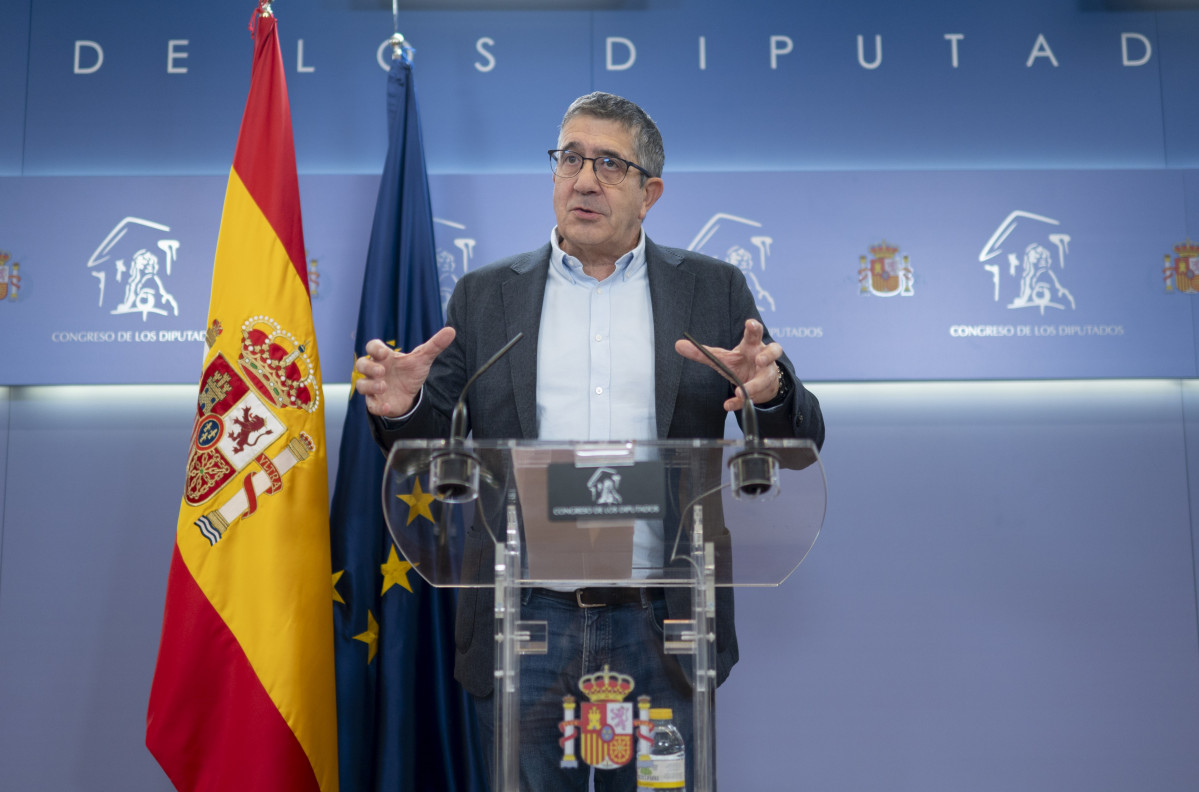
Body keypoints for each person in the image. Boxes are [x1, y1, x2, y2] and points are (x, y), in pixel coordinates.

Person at [355, 91, 825, 790]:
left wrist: (771, 393)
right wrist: (402, 408)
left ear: (649, 191)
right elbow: (432, 443)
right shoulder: (485, 297)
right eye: (569, 158)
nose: (582, 179)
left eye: (609, 163)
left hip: (663, 619)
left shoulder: (712, 291)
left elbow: (801, 435)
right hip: (525, 618)